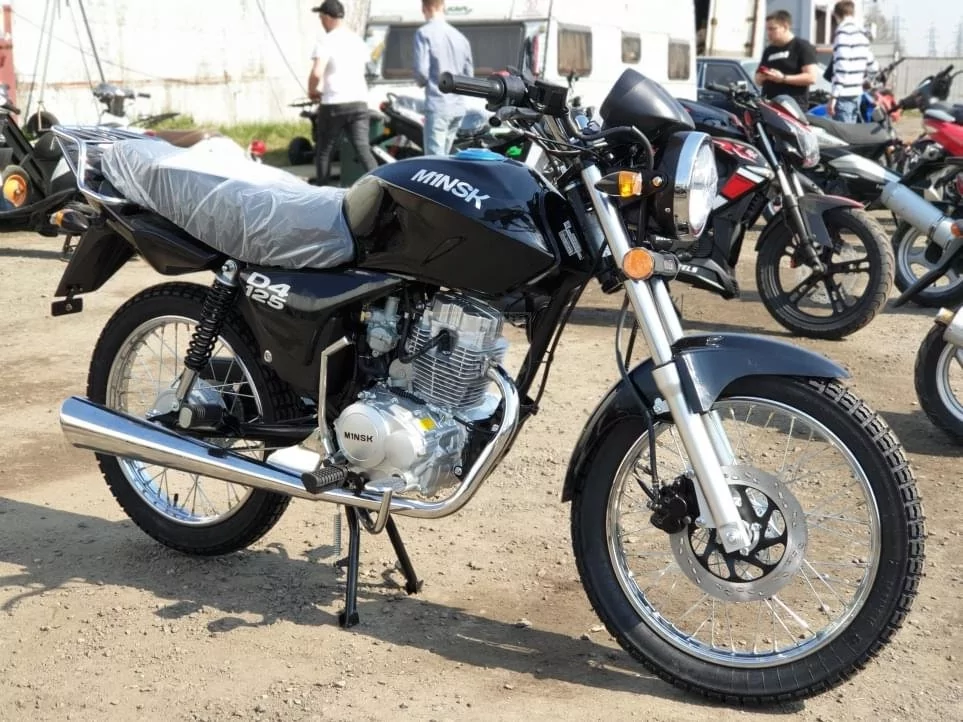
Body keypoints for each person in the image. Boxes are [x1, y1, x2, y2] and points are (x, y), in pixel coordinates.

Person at [307, 0, 377, 186]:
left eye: (321, 17)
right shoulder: (357, 40)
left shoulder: (326, 41)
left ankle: (322, 190)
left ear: (327, 17)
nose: (320, 21)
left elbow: (317, 73)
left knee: (324, 151)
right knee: (363, 149)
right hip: (359, 103)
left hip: (334, 104)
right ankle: (383, 185)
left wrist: (312, 91)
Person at [413, 0, 474, 156]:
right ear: (443, 7)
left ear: (424, 8)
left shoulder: (424, 33)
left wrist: (421, 82)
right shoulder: (460, 37)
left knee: (434, 160)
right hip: (458, 107)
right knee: (445, 159)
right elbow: (469, 76)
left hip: (438, 104)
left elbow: (422, 73)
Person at [754, 10, 820, 107]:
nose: (768, 33)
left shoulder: (802, 46)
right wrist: (761, 77)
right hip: (769, 105)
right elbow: (757, 79)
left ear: (785, 27)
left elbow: (811, 77)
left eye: (772, 29)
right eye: (767, 29)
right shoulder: (769, 50)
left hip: (792, 107)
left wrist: (783, 78)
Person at [827, 0, 879, 123]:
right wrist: (867, 81)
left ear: (836, 15)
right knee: (852, 131)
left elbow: (842, 66)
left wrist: (834, 96)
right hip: (857, 93)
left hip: (843, 94)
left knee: (842, 134)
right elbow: (873, 67)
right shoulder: (862, 34)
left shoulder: (842, 33)